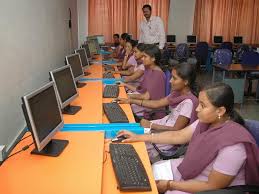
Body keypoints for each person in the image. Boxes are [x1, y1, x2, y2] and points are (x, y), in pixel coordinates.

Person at [118, 83, 259, 194]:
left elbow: (212, 186)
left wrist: (169, 185)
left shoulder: (233, 147)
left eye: (203, 106)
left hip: (210, 189)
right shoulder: (206, 121)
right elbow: (177, 135)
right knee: (151, 172)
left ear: (220, 111)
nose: (197, 109)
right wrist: (139, 137)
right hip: (195, 173)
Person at [118, 63, 199, 162]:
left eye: (174, 78)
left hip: (169, 137)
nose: (170, 81)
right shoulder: (176, 93)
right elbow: (157, 104)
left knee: (134, 145)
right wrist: (131, 101)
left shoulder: (188, 103)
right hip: (162, 125)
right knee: (129, 134)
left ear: (186, 82)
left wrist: (151, 125)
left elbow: (176, 130)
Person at [118, 44, 166, 119]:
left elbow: (146, 97)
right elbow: (140, 90)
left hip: (151, 108)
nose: (142, 58)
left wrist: (129, 97)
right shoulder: (148, 69)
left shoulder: (158, 74)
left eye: (145, 57)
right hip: (145, 102)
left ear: (153, 59)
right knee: (122, 104)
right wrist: (125, 88)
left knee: (125, 108)